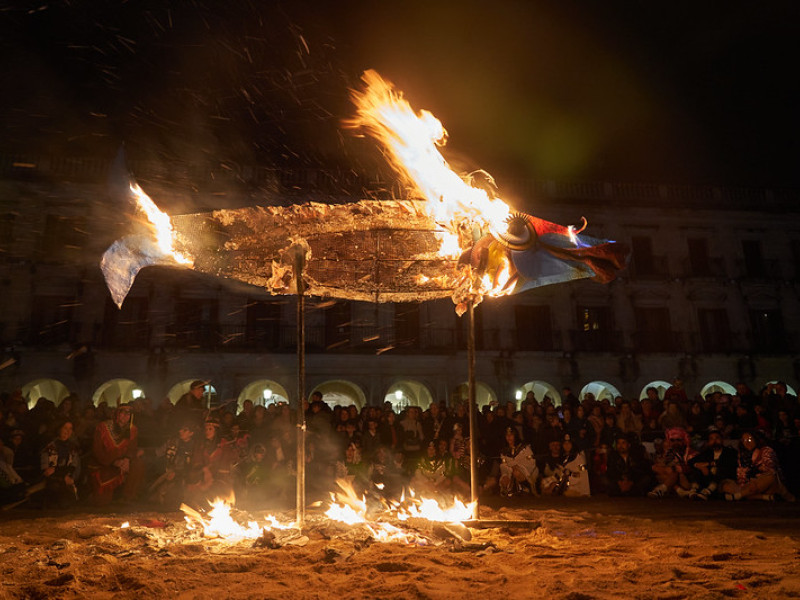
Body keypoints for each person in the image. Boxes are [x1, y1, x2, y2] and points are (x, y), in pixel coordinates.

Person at [87, 404, 144, 505]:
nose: (125, 416)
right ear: (117, 413)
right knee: (102, 501)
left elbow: (132, 448)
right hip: (104, 463)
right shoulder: (103, 427)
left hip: (123, 462)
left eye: (128, 413)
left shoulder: (132, 429)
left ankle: (128, 497)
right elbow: (97, 450)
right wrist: (113, 461)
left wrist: (127, 459)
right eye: (123, 412)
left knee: (138, 464)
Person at [723, 431, 795, 501]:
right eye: (744, 440)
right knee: (725, 484)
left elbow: (770, 469)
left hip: (765, 484)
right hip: (750, 486)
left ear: (756, 439)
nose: (747, 442)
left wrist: (754, 478)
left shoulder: (766, 451)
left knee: (770, 476)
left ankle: (739, 495)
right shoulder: (742, 456)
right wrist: (747, 483)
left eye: (750, 439)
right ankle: (765, 497)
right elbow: (741, 476)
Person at [687, 426, 738, 500]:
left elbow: (728, 463)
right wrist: (700, 466)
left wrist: (708, 464)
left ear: (722, 440)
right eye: (711, 439)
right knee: (697, 469)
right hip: (707, 478)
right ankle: (694, 490)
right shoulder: (707, 452)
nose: (714, 441)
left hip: (722, 479)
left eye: (717, 438)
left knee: (719, 470)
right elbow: (691, 461)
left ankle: (709, 491)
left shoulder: (729, 452)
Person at [40, 420, 81, 508]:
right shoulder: (50, 446)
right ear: (59, 429)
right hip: (54, 479)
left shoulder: (72, 447)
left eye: (70, 429)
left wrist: (70, 477)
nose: (67, 431)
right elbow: (46, 470)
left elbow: (74, 465)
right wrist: (61, 474)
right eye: (65, 428)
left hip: (67, 477)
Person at [647, 427, 697, 498]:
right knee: (658, 470)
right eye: (672, 440)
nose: (675, 443)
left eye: (678, 440)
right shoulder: (671, 452)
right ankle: (679, 491)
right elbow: (663, 466)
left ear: (684, 440)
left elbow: (692, 468)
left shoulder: (691, 452)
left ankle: (663, 490)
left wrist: (675, 468)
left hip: (690, 481)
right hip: (675, 478)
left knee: (672, 472)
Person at [496, 426, 538, 496]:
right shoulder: (504, 451)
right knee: (504, 479)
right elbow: (503, 465)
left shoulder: (524, 448)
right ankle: (510, 491)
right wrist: (510, 469)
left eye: (511, 435)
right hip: (510, 471)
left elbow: (531, 461)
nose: (509, 437)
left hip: (526, 471)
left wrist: (518, 467)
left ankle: (528, 488)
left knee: (516, 472)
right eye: (507, 435)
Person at [607, 432, 651, 497]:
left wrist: (631, 481)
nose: (620, 446)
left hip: (632, 481)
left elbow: (640, 470)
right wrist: (619, 481)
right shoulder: (613, 456)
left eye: (623, 443)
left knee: (646, 479)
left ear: (629, 445)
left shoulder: (635, 456)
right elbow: (611, 470)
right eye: (618, 443)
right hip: (619, 482)